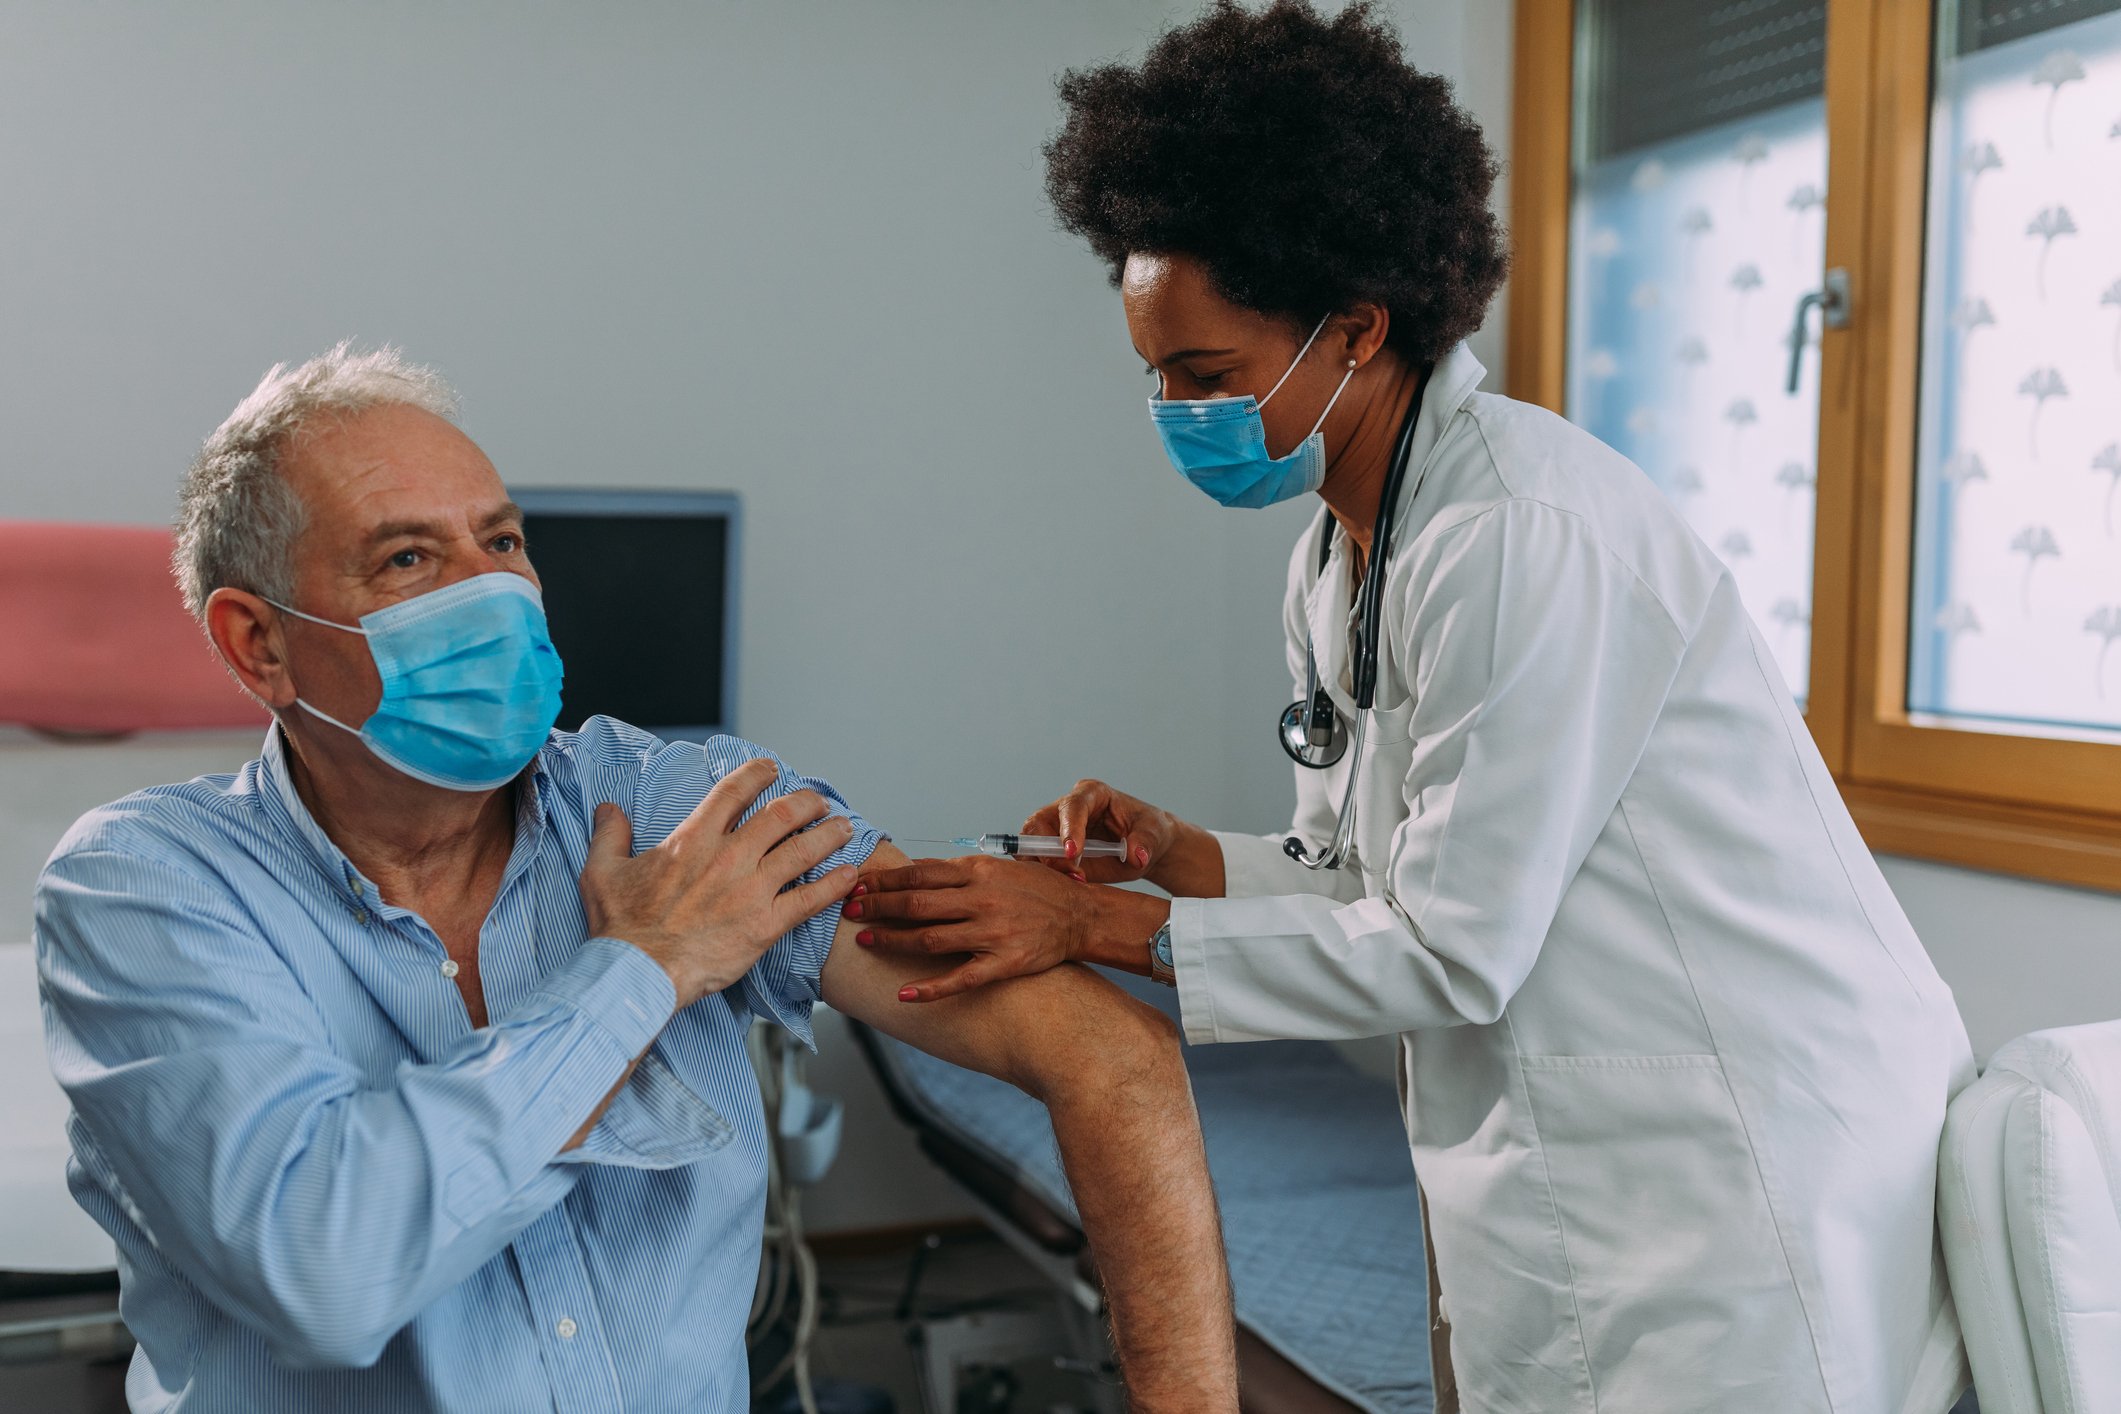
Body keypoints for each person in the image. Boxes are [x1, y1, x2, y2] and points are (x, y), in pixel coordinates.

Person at [851, 4, 1978, 1411]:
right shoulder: (1343, 552)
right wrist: (1175, 856)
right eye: (1155, 374)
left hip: (1734, 1167)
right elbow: (1363, 876)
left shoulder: (1517, 534)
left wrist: (1089, 928)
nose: (1174, 410)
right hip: (1576, 1167)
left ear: (1356, 329)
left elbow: (1449, 947)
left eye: (1206, 374)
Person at [33, 344, 1237, 1412]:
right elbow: (327, 1273)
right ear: (259, 644)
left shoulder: (676, 810)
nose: (490, 591)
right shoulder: (148, 886)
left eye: (502, 542)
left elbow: (1109, 1058)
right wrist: (642, 970)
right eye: (408, 557)